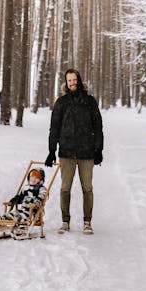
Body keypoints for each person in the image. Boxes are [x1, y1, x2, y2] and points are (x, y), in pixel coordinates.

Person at [45, 68, 103, 235]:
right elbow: (54, 128)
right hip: (67, 152)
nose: (72, 83)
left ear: (79, 79)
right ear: (66, 82)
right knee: (65, 189)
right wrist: (51, 150)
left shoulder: (90, 101)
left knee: (87, 188)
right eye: (69, 80)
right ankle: (65, 222)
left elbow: (98, 126)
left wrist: (99, 148)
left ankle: (87, 222)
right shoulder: (61, 103)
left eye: (75, 79)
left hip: (87, 153)